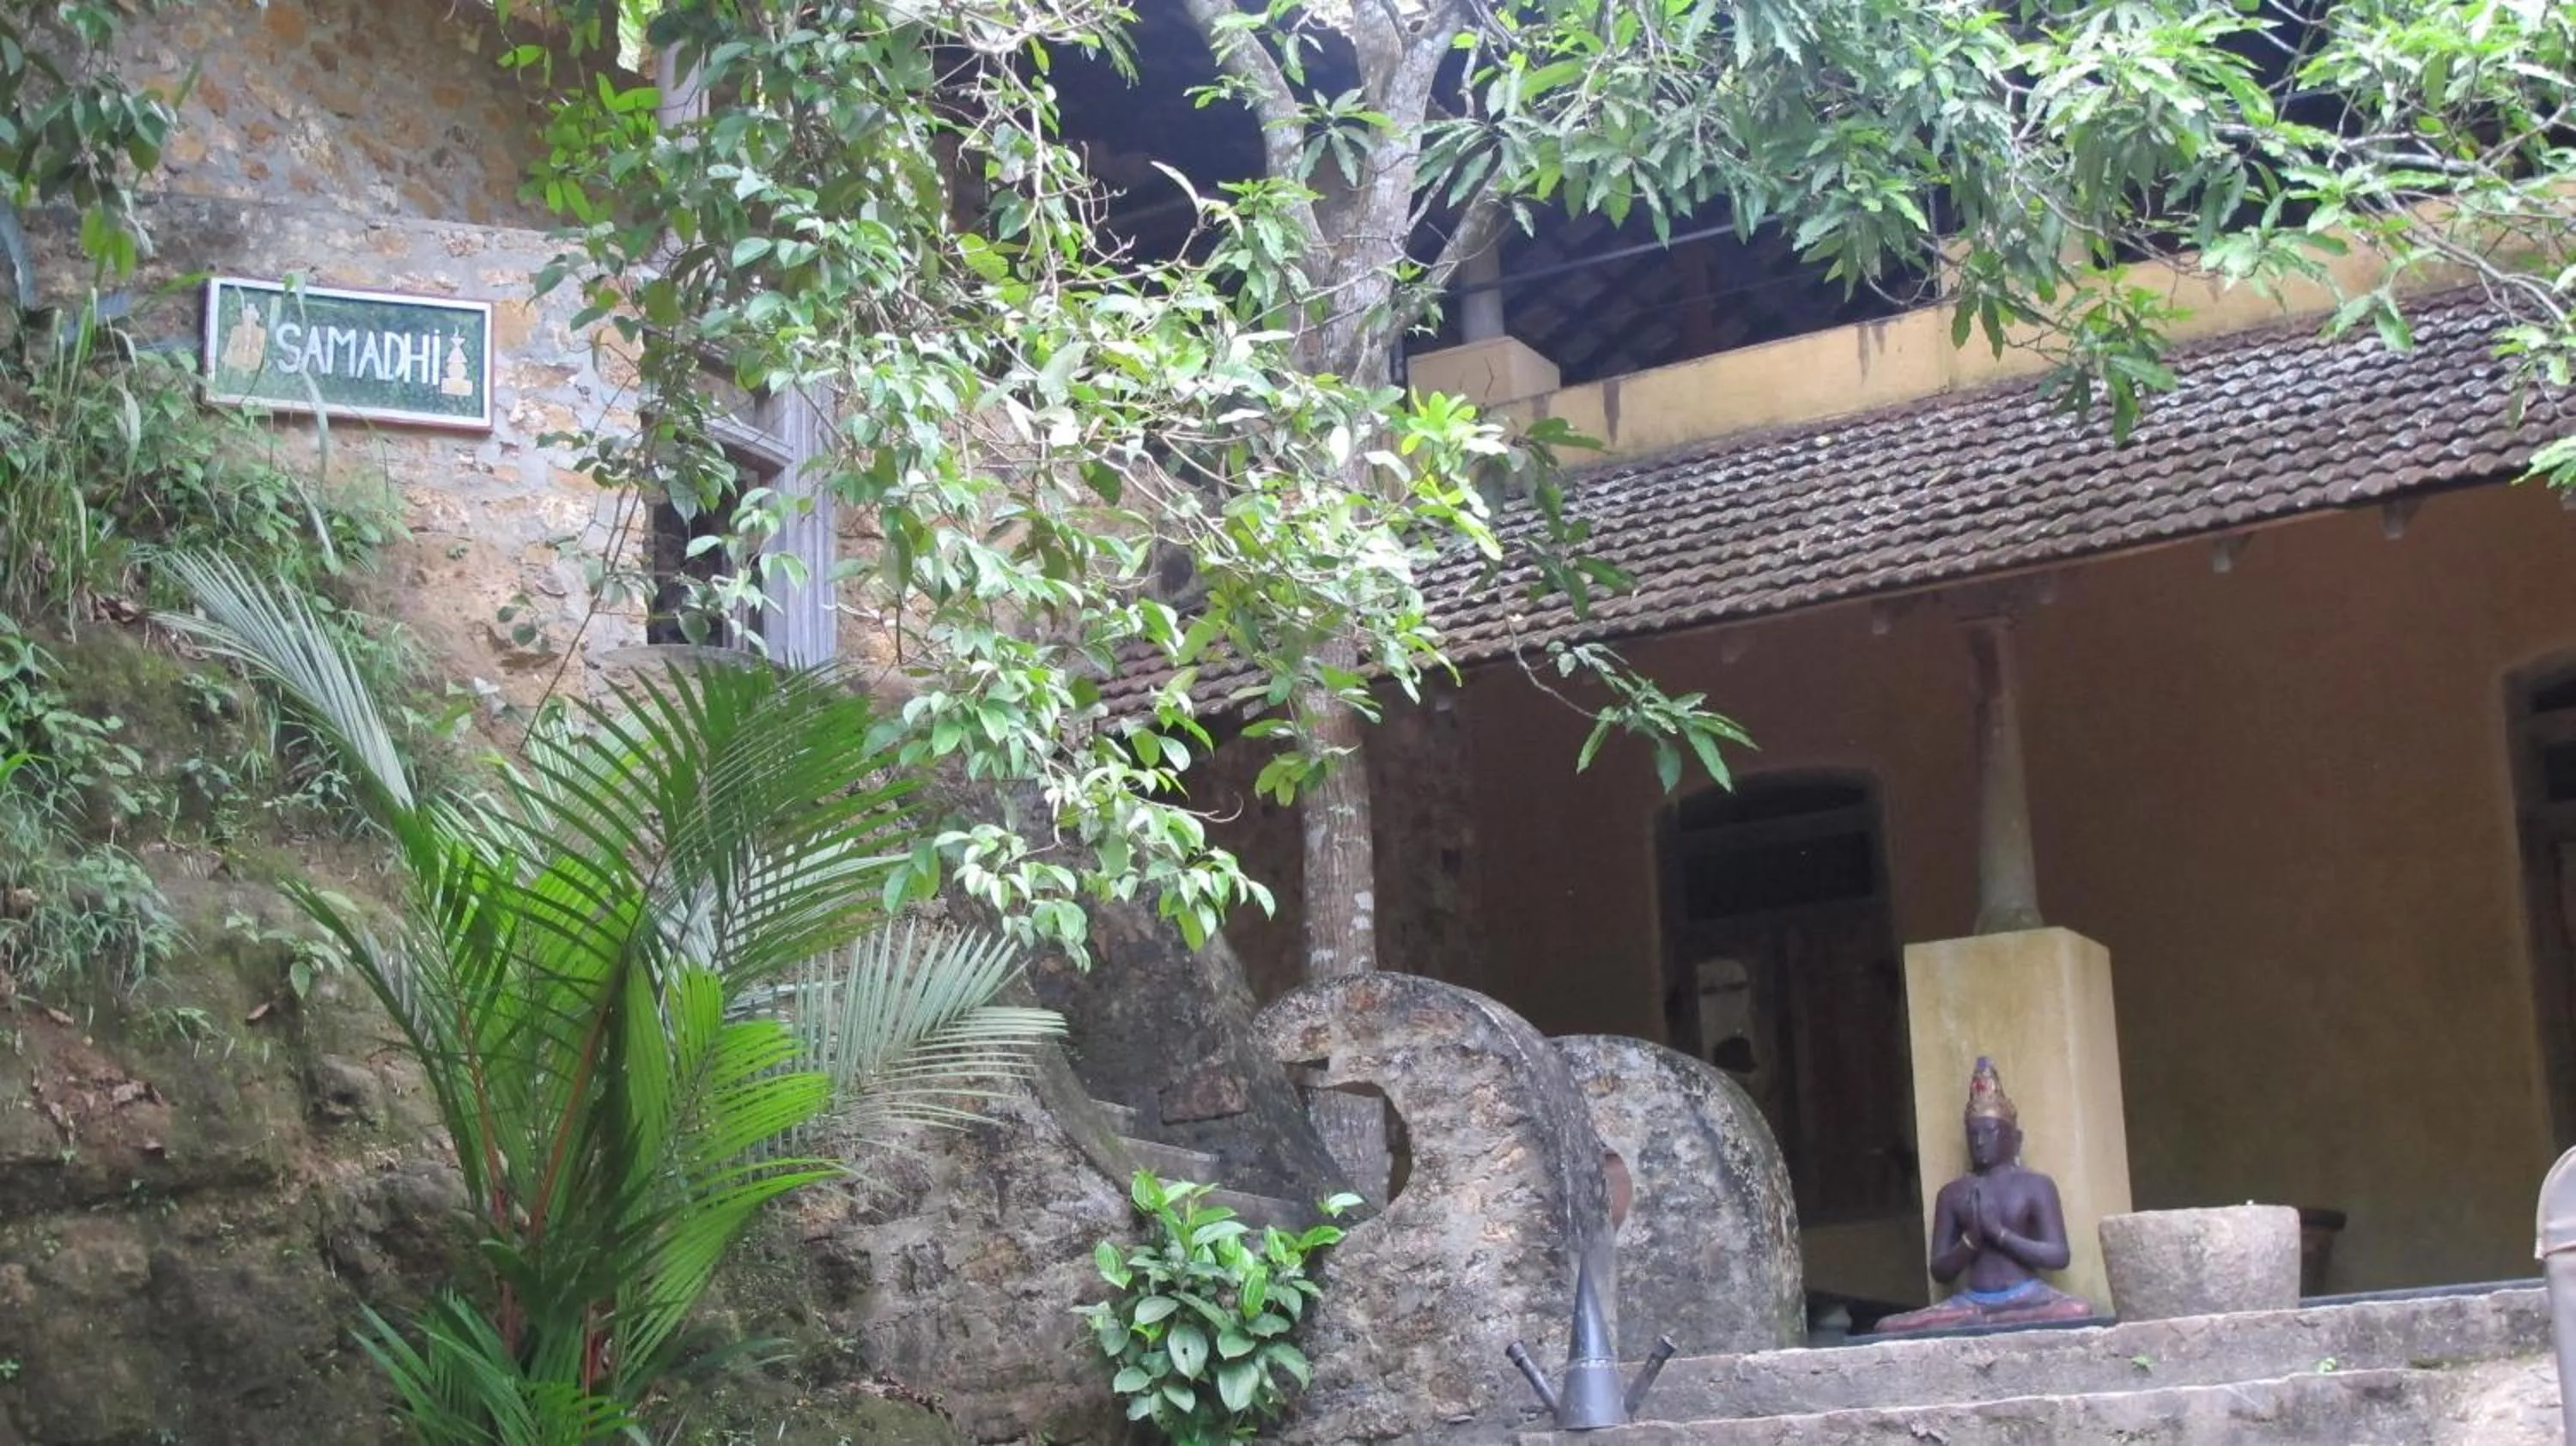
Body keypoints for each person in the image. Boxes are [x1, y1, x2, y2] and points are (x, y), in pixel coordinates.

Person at [1872, 1056, 2095, 1334]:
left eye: (1990, 1132)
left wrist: (1999, 1233)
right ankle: (1985, 1319)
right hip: (1972, 1300)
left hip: (2028, 1297)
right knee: (1887, 1326)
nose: (1979, 1142)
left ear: (2015, 1138)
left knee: (2076, 1310)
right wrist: (1971, 1240)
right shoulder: (1953, 1193)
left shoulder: (2036, 1185)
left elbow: (2059, 1255)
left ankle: (1985, 1321)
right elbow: (1941, 1271)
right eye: (1972, 1134)